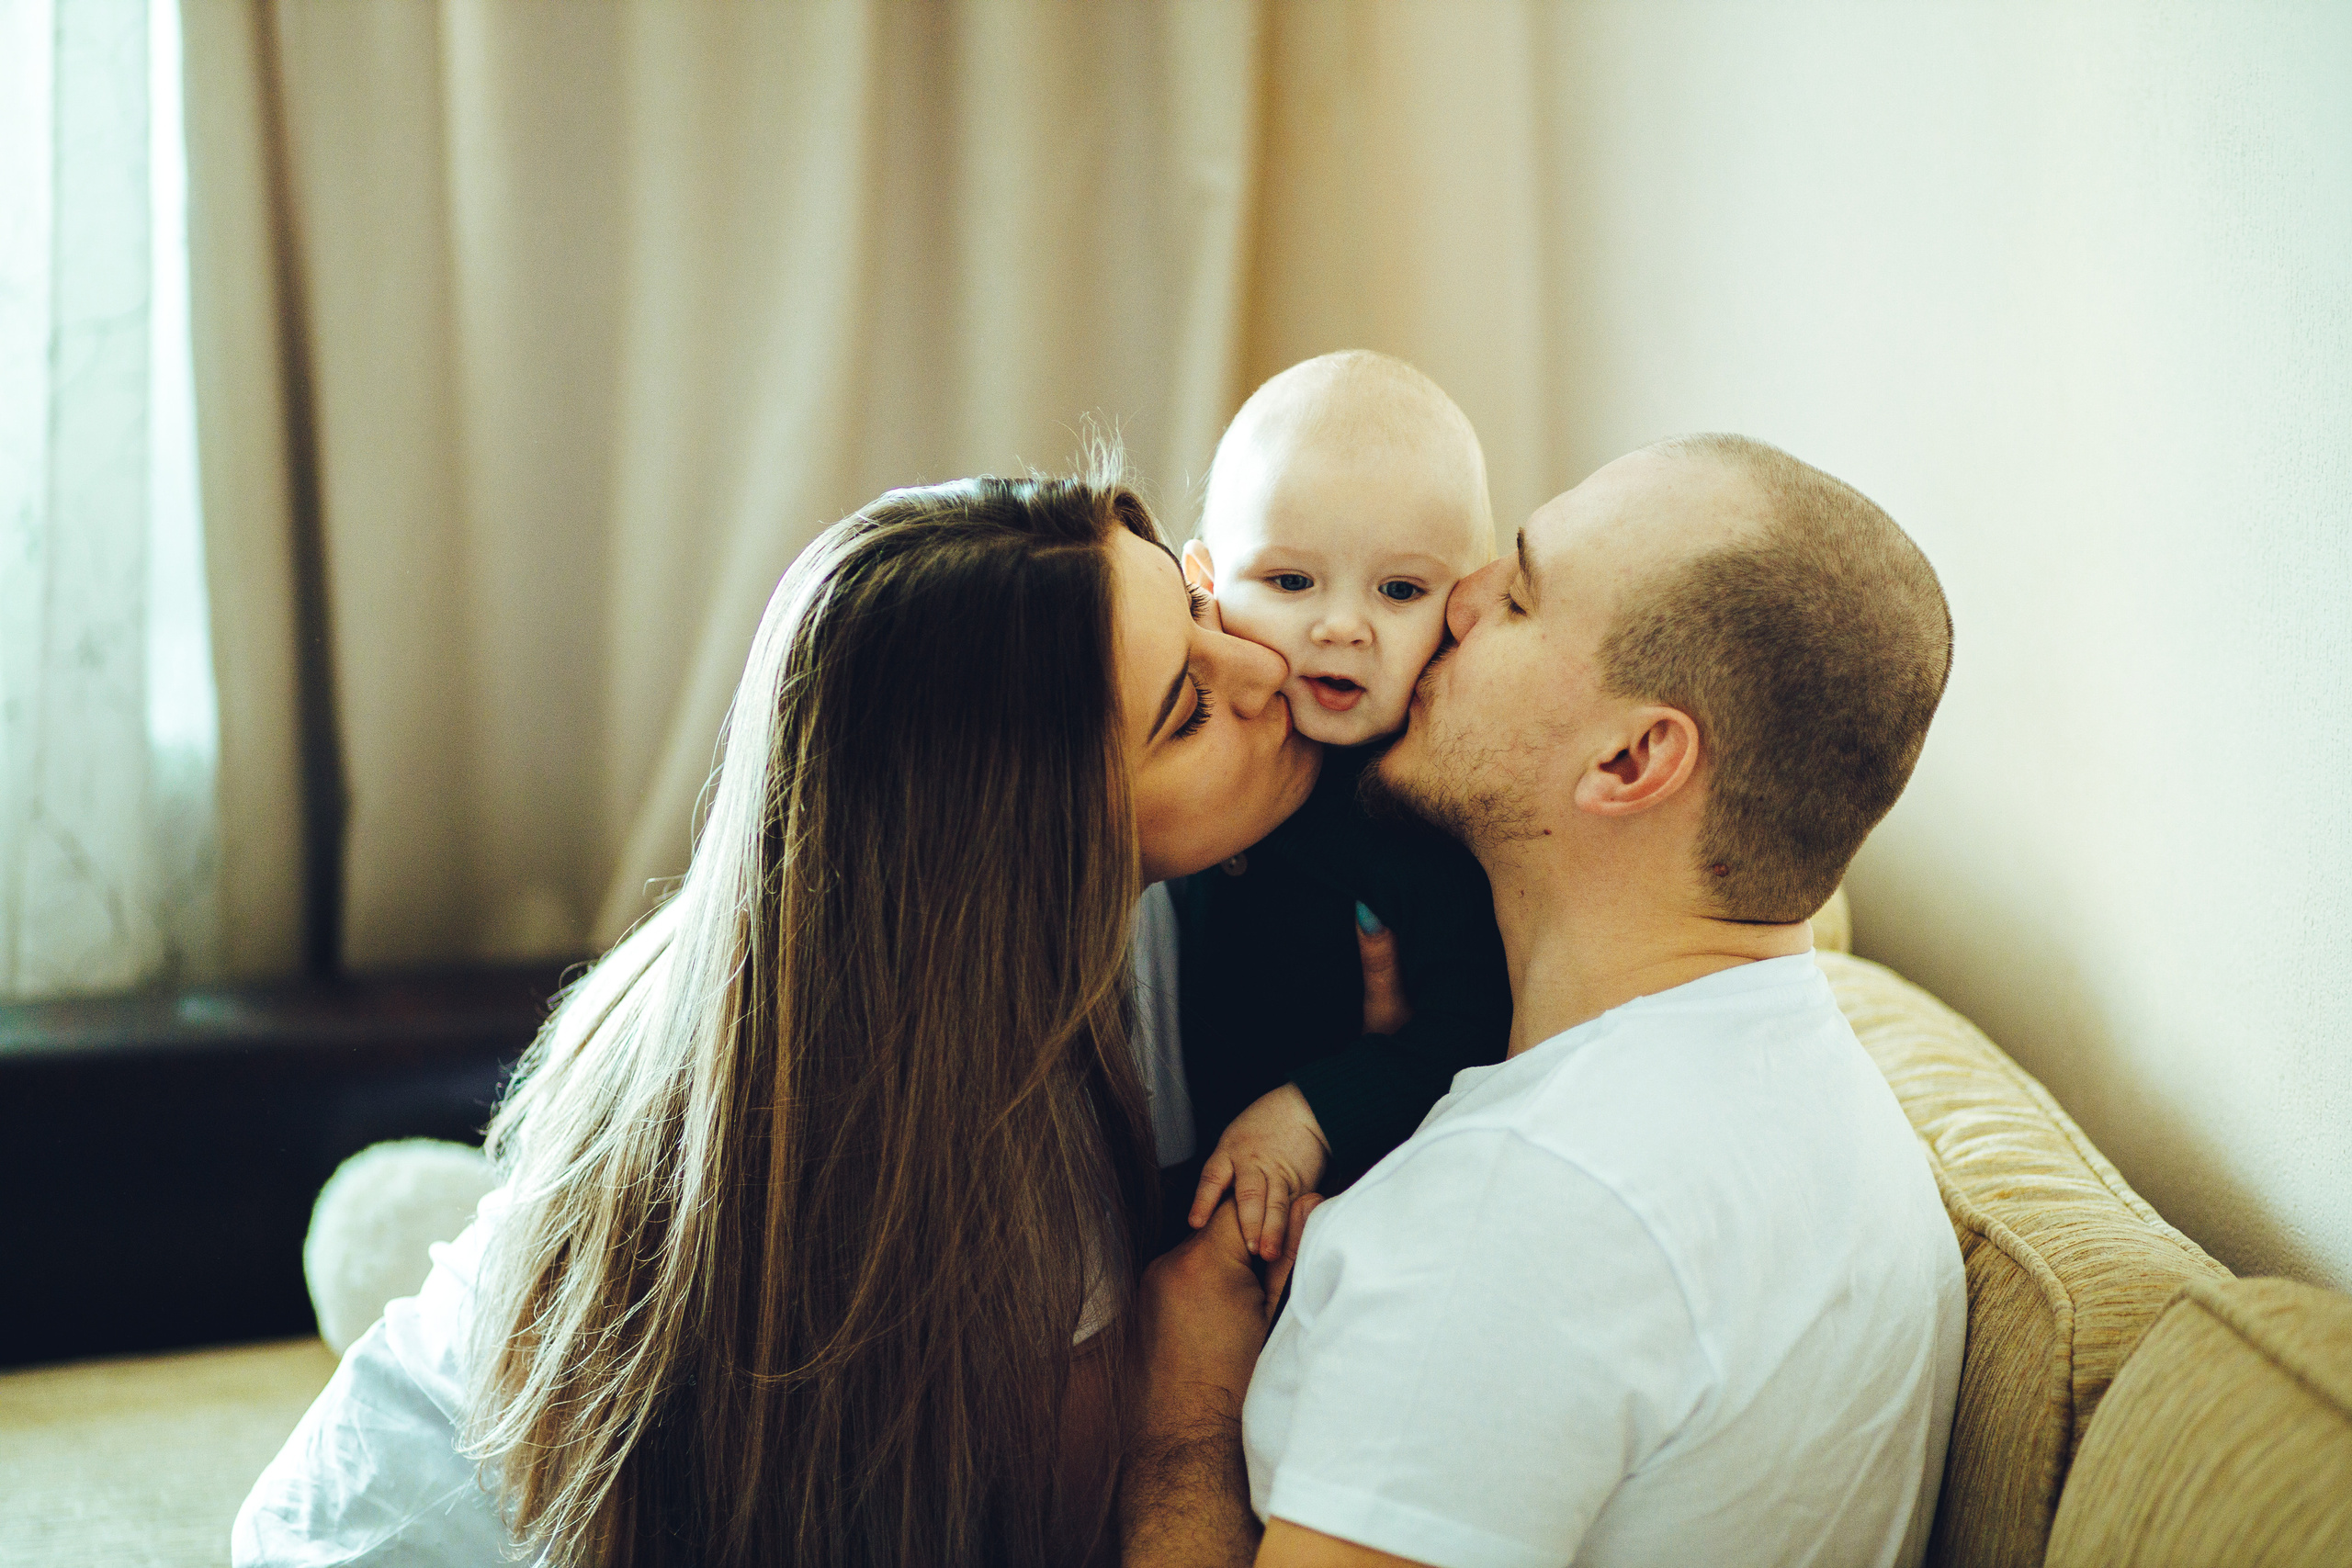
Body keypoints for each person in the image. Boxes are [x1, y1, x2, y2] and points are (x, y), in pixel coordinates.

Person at [234, 466, 1318, 1567]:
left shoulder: (818, 949)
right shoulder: (979, 1152)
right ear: (1032, 852)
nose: (1268, 661)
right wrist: (1188, 1390)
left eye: (1191, 602)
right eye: (1187, 709)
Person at [1125, 434, 1970, 1568]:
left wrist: (1183, 1407)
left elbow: (1524, 1276)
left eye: (1517, 594)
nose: (1456, 603)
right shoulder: (1826, 1105)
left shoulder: (1521, 1217)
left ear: (1630, 763)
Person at [1171, 351, 1511, 1259]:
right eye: (1290, 582)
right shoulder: (1168, 740)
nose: (1341, 626)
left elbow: (1472, 1029)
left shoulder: (1423, 815)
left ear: (1463, 605)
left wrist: (1313, 1113)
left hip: (1318, 1185)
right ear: (1204, 586)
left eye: (1399, 591)